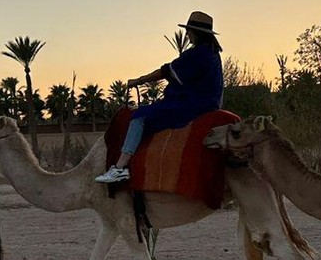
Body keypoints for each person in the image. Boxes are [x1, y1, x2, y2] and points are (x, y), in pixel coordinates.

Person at [95, 11, 224, 184]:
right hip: (208, 103)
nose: (187, 34)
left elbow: (166, 71)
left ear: (196, 33)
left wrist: (138, 81)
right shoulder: (213, 54)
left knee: (139, 116)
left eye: (189, 31)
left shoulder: (197, 54)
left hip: (193, 105)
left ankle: (120, 168)